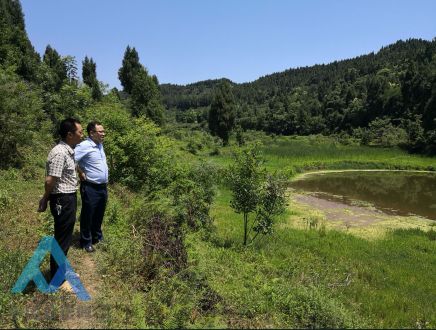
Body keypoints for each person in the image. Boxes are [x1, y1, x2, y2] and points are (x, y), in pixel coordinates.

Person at [38, 118, 83, 284]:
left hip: (67, 197)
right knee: (62, 238)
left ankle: (60, 272)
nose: (82, 135)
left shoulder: (69, 150)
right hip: (62, 199)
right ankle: (57, 279)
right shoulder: (59, 152)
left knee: (64, 236)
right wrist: (45, 198)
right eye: (80, 132)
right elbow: (50, 180)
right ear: (70, 134)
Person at [74, 121, 109, 253]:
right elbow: (71, 158)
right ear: (92, 133)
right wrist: (80, 172)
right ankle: (85, 241)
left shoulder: (99, 145)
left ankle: (97, 237)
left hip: (102, 187)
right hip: (90, 186)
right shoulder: (84, 146)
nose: (103, 134)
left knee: (99, 214)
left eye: (103, 131)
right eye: (100, 132)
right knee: (88, 214)